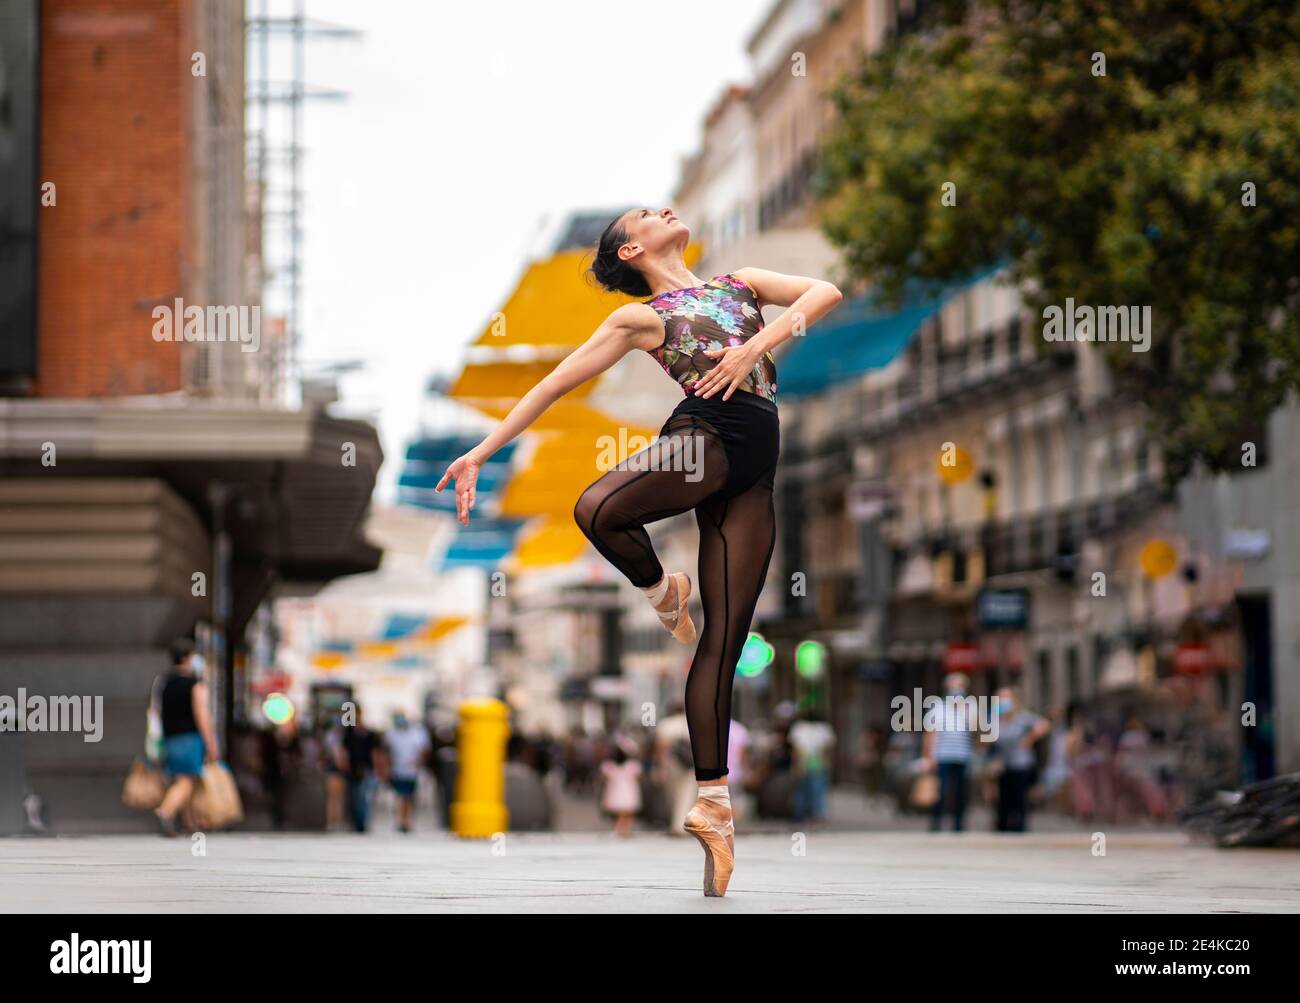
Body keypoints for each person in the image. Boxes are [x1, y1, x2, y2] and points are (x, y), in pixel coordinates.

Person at [437, 207, 843, 896]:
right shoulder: (645, 317)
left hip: (756, 466)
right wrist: (481, 450)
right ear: (632, 247)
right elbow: (553, 382)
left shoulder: (739, 284)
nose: (664, 211)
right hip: (706, 435)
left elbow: (824, 292)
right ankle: (659, 589)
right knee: (596, 507)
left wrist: (752, 348)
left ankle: (714, 805)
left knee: (721, 642)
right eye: (647, 215)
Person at [154, 639, 220, 837]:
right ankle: (165, 811)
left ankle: (189, 823)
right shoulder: (194, 684)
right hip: (189, 738)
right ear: (187, 658)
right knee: (186, 781)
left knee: (181, 778)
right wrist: (211, 742)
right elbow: (202, 715)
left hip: (170, 738)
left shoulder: (164, 683)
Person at [921, 672, 976, 832]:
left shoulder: (970, 706)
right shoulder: (938, 707)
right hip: (942, 755)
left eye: (960, 686)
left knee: (961, 792)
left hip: (963, 755)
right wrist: (928, 756)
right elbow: (930, 733)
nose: (956, 689)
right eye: (954, 685)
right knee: (941, 790)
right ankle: (936, 822)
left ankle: (958, 824)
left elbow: (977, 729)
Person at [990, 687, 1050, 832]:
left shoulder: (1022, 717)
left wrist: (1029, 739)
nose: (1002, 701)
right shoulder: (994, 718)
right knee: (1003, 800)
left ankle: (1020, 828)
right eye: (999, 698)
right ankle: (1002, 828)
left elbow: (1044, 725)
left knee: (1019, 798)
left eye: (1005, 698)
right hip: (1002, 765)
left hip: (1021, 764)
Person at [337, 705, 382, 833]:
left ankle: (362, 823)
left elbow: (375, 753)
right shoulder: (349, 733)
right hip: (352, 770)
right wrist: (344, 764)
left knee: (364, 797)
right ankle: (356, 822)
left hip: (366, 768)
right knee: (354, 797)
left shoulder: (370, 734)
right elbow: (343, 751)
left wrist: (377, 769)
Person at [384, 712, 430, 833]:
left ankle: (407, 821)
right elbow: (387, 751)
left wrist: (418, 763)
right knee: (399, 796)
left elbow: (423, 750)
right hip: (397, 770)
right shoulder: (392, 734)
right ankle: (400, 820)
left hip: (411, 771)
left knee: (409, 797)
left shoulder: (417, 733)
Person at [789, 709, 836, 822]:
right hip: (818, 761)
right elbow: (828, 748)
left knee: (801, 790)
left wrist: (795, 765)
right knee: (818, 790)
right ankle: (818, 814)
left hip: (803, 760)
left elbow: (796, 749)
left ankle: (800, 813)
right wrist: (828, 763)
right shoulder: (824, 728)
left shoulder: (798, 728)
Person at [599, 737, 643, 836]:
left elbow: (604, 778)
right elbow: (638, 778)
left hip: (616, 792)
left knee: (623, 813)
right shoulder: (632, 766)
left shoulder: (609, 766)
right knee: (626, 813)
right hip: (629, 792)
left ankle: (621, 829)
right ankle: (623, 829)